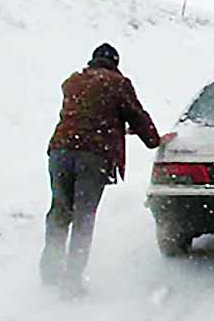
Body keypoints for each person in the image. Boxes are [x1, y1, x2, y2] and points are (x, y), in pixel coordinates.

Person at [41, 43, 166, 298]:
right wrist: (154, 140)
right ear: (115, 63)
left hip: (60, 150)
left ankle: (50, 268)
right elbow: (136, 114)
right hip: (93, 154)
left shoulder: (73, 81)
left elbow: (84, 113)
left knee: (60, 209)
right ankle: (72, 281)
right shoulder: (117, 83)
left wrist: (113, 126)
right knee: (84, 215)